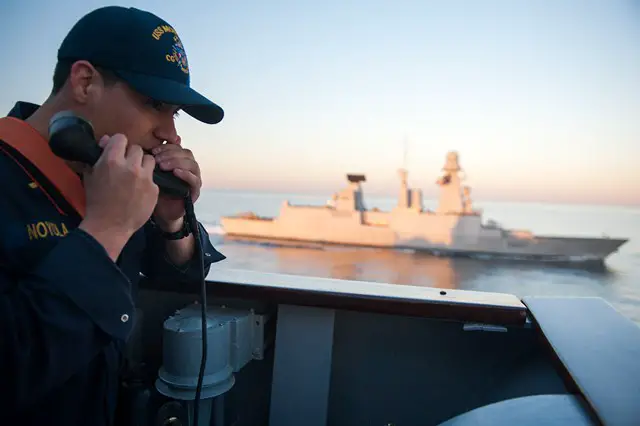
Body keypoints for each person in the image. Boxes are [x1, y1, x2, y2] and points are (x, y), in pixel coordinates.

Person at [0, 6, 226, 426]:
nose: (171, 134)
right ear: (85, 82)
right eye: (154, 103)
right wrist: (105, 230)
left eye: (173, 113)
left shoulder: (109, 177)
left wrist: (172, 221)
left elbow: (177, 276)